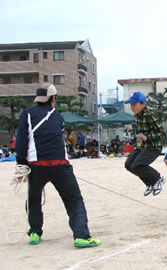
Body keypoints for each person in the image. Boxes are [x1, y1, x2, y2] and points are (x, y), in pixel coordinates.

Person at [15, 83, 101, 248]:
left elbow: (21, 141)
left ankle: (34, 233)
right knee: (73, 199)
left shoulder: (26, 114)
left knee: (33, 199)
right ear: (53, 98)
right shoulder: (58, 117)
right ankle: (81, 235)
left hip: (36, 165)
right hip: (60, 164)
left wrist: (21, 163)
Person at [124, 92, 165, 196]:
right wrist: (141, 139)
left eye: (134, 104)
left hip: (154, 146)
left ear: (143, 104)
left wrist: (147, 137)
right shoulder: (137, 116)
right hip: (143, 146)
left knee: (138, 165)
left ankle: (158, 179)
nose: (132, 107)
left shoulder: (150, 115)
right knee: (129, 165)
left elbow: (162, 132)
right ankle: (149, 183)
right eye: (131, 105)